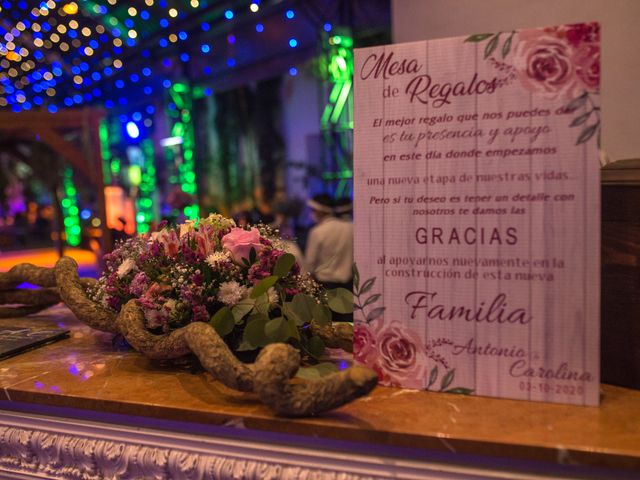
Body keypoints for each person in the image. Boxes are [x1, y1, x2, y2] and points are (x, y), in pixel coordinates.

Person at [305, 194, 353, 292]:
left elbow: (310, 262)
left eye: (313, 210)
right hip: (349, 285)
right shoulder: (351, 228)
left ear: (320, 210)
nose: (311, 214)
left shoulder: (317, 231)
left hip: (325, 286)